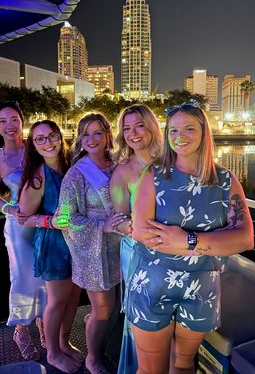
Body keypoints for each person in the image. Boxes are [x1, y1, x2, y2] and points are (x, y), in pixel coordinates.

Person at [127, 99, 254, 374]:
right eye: (173, 130)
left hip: (201, 288)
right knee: (151, 369)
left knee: (184, 365)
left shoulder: (225, 180)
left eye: (189, 129)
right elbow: (142, 232)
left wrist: (187, 241)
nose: (179, 137)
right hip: (152, 284)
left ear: (204, 133)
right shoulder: (154, 175)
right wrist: (215, 242)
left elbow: (245, 238)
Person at [55, 112, 126, 374]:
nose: (92, 139)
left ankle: (95, 328)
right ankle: (93, 358)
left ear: (108, 135)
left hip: (121, 249)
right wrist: (100, 225)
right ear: (80, 139)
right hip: (93, 252)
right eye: (86, 134)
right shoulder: (77, 174)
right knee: (105, 310)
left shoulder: (119, 164)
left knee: (114, 306)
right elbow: (62, 218)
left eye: (98, 132)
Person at [19, 120, 83, 373]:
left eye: (52, 136)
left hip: (77, 242)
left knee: (74, 296)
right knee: (56, 301)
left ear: (60, 137)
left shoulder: (70, 166)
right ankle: (53, 352)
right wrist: (50, 221)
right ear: (33, 145)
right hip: (54, 244)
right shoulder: (38, 176)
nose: (48, 142)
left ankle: (64, 342)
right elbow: (24, 216)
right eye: (40, 139)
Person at [0, 101, 46, 361]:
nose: (9, 126)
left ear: (22, 121)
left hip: (45, 221)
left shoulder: (36, 149)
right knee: (22, 277)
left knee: (46, 275)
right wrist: (10, 209)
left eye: (14, 120)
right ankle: (21, 329)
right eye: (2, 121)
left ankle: (45, 324)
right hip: (19, 226)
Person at [110, 104, 163, 374]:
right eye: (127, 128)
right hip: (138, 253)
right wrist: (138, 231)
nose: (133, 133)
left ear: (152, 126)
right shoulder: (122, 172)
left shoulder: (173, 161)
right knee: (142, 320)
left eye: (139, 125)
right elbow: (118, 220)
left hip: (175, 252)